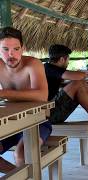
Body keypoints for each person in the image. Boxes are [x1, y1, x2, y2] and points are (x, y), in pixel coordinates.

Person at [0, 27, 49, 173]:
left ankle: (23, 175)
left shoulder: (33, 64)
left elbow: (42, 96)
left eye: (16, 49)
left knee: (21, 154)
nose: (11, 54)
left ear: (23, 48)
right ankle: (21, 175)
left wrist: (3, 93)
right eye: (5, 49)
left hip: (37, 121)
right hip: (11, 122)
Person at [44, 44, 88, 131]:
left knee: (81, 83)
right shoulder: (49, 68)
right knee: (79, 83)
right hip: (49, 115)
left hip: (52, 111)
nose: (68, 63)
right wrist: (81, 74)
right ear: (62, 59)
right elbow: (79, 76)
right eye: (67, 60)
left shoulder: (50, 69)